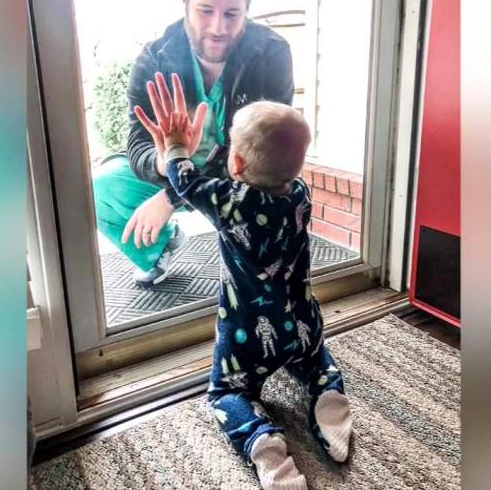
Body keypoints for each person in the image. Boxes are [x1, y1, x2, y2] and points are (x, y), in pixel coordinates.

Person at [135, 75, 352, 490]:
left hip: (248, 337)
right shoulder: (300, 194)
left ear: (235, 164)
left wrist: (176, 146)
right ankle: (328, 393)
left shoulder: (231, 203)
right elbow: (255, 173)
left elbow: (185, 181)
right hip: (303, 324)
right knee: (316, 360)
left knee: (225, 394)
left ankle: (263, 443)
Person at [92, 0, 294, 286]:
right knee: (99, 189)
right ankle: (162, 247)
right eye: (205, 11)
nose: (218, 28)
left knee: (274, 203)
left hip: (238, 176)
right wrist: (167, 159)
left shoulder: (272, 54)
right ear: (185, 2)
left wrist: (174, 195)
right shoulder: (153, 58)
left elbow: (268, 150)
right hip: (170, 170)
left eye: (232, 14)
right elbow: (137, 144)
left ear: (247, 8)